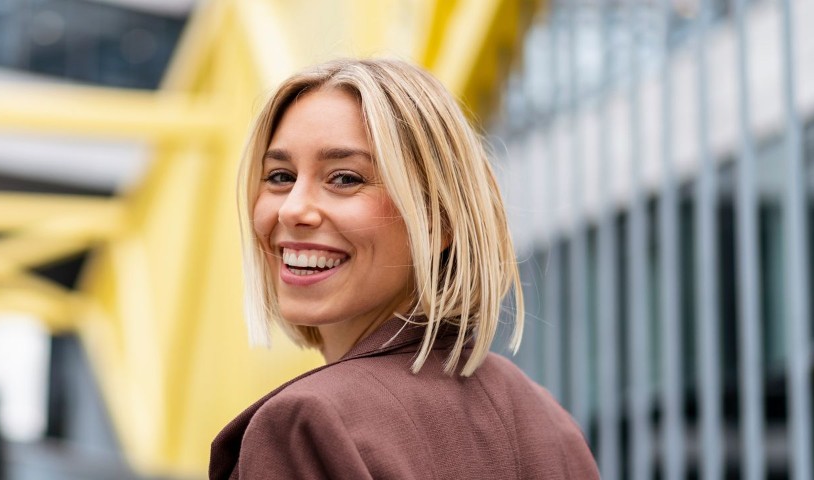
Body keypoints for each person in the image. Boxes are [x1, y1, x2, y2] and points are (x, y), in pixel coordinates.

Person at [208, 58, 598, 479]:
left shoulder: (306, 426)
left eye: (344, 179)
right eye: (280, 176)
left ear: (440, 221)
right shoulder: (548, 423)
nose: (293, 209)